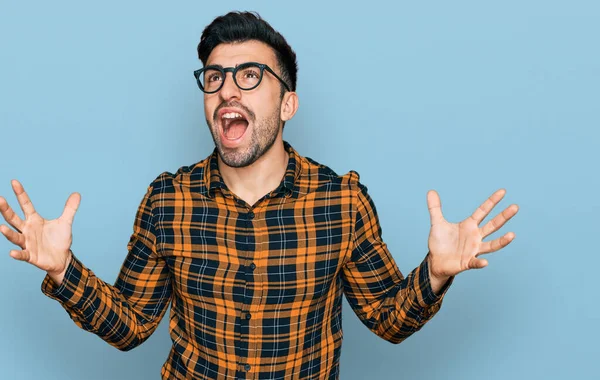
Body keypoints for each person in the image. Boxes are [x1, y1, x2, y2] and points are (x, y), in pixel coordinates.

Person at [0, 11, 519, 380]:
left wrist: (436, 272)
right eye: (215, 77)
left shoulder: (341, 202)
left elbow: (388, 318)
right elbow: (132, 324)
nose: (228, 90)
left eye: (250, 76)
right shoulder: (168, 201)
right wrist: (62, 271)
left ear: (287, 103)